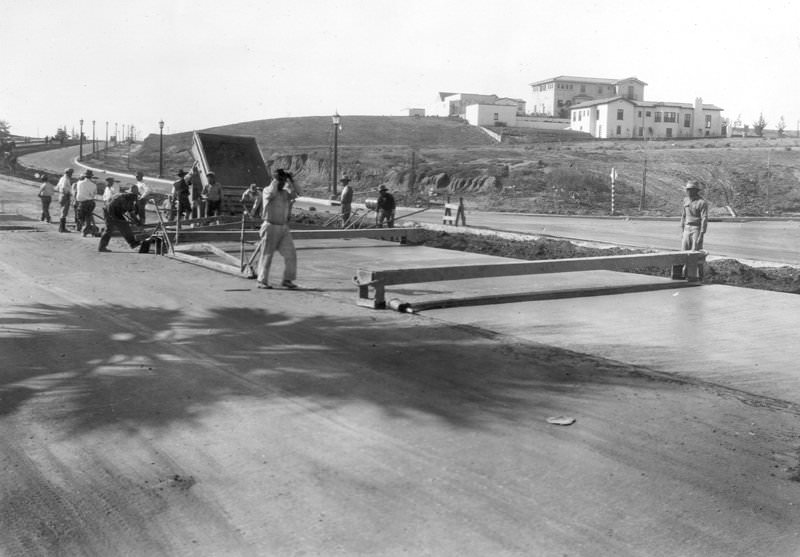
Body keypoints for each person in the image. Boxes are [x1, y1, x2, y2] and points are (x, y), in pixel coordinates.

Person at [255, 169, 301, 289]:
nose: (282, 183)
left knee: (291, 254)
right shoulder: (267, 190)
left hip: (283, 227)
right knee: (267, 255)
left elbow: (298, 193)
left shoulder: (285, 193)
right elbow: (271, 194)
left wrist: (291, 180)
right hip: (270, 226)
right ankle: (262, 280)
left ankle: (287, 279)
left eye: (282, 181)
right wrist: (276, 181)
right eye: (279, 180)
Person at [680, 180, 709, 251]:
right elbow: (683, 216)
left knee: (695, 251)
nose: (688, 191)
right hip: (686, 228)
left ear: (696, 191)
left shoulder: (701, 202)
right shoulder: (685, 200)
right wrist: (682, 230)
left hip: (696, 229)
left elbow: (704, 219)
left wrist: (701, 234)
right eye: (687, 190)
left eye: (690, 190)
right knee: (683, 251)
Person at [74, 170, 98, 237]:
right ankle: (88, 228)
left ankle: (86, 229)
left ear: (84, 176)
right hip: (91, 202)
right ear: (91, 176)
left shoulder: (79, 183)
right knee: (88, 216)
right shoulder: (94, 185)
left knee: (80, 216)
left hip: (83, 202)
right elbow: (94, 194)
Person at [55, 168, 74, 232]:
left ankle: (61, 227)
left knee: (62, 211)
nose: (72, 174)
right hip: (65, 196)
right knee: (64, 212)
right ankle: (62, 228)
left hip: (61, 195)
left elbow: (57, 187)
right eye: (71, 173)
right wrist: (67, 193)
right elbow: (63, 188)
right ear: (68, 173)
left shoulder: (62, 178)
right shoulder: (66, 179)